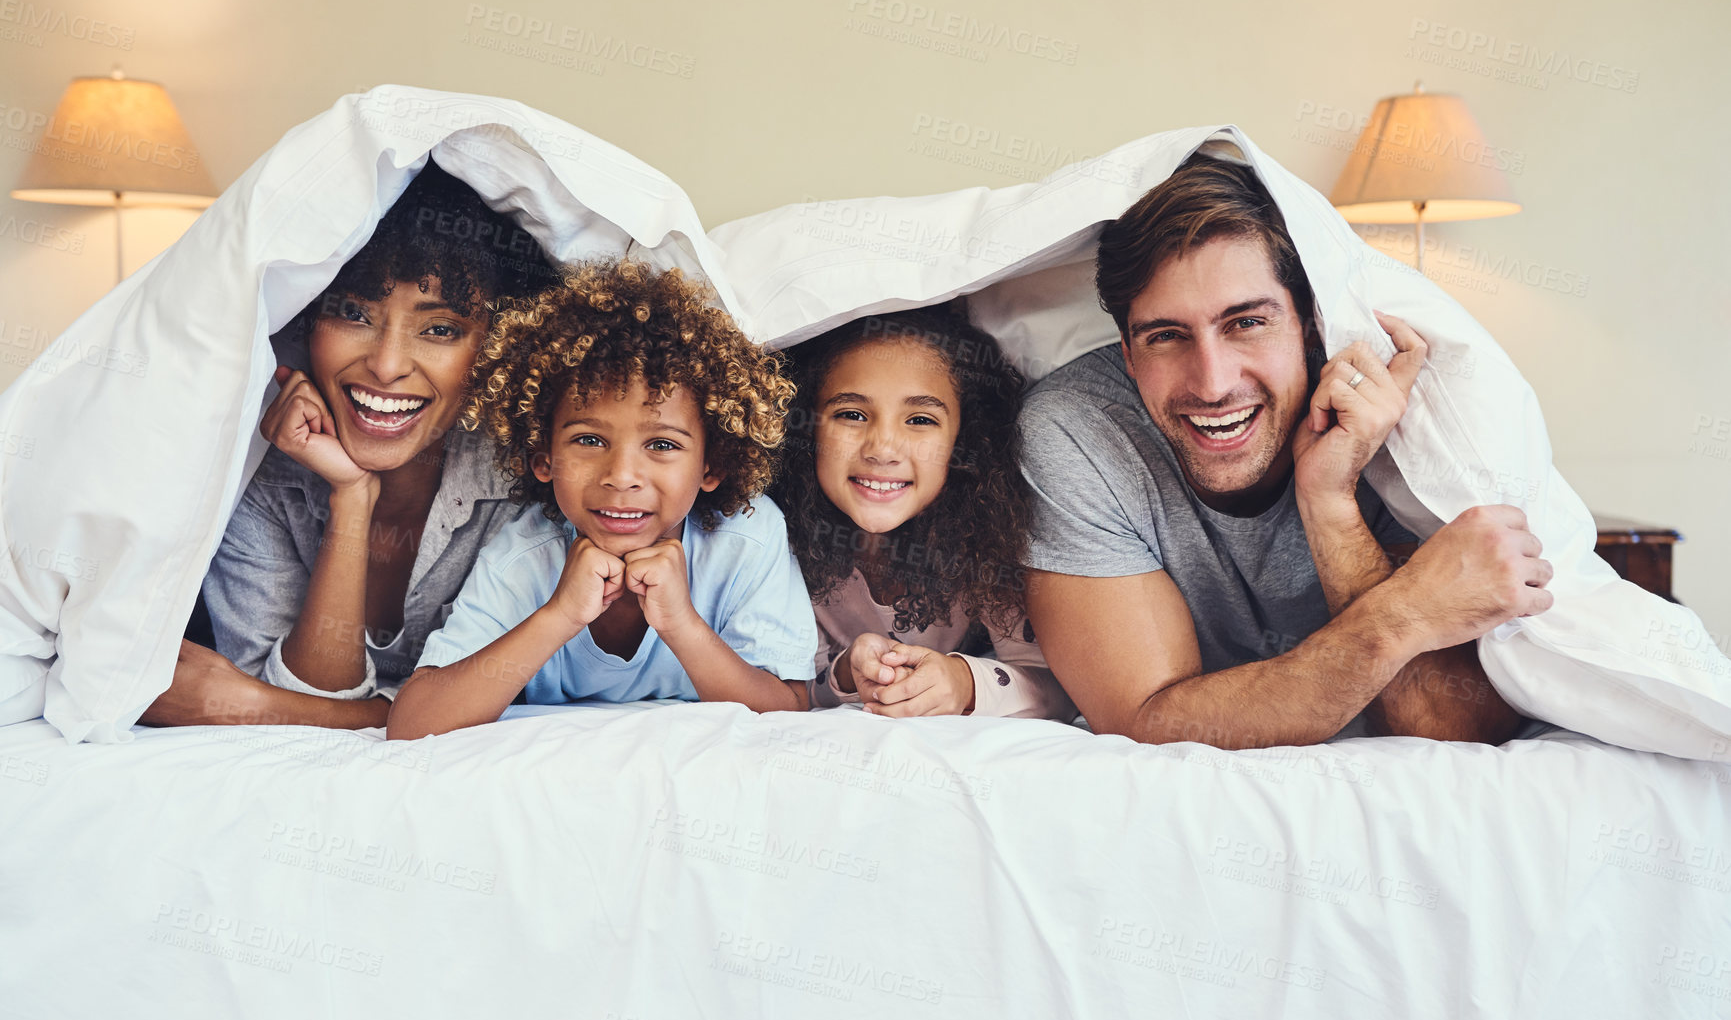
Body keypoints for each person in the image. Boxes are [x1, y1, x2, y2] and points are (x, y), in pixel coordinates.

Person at [1018, 151, 1553, 748]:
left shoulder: (1391, 416)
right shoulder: (1077, 431)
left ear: (1309, 326)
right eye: (1166, 336)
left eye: (1247, 323)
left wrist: (1328, 500)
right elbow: (1149, 721)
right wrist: (1407, 615)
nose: (1213, 384)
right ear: (1127, 353)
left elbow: (1447, 727)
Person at [141, 161, 558, 729]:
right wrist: (353, 497)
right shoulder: (258, 467)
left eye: (439, 329)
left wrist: (255, 705)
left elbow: (479, 705)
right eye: (354, 314)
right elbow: (315, 709)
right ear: (308, 322)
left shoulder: (529, 476)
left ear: (493, 346)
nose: (386, 367)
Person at [386, 261, 814, 739]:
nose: (621, 476)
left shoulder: (747, 540)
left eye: (663, 445)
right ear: (542, 457)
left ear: (711, 465)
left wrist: (682, 626)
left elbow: (788, 711)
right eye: (589, 440)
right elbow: (412, 723)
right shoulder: (523, 557)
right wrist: (560, 615)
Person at [772, 308, 1072, 720]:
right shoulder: (777, 539)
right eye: (852, 415)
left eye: (919, 420)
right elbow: (793, 690)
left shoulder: (986, 541)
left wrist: (963, 682)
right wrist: (845, 674)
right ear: (807, 427)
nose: (882, 449)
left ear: (964, 441)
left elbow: (1059, 688)